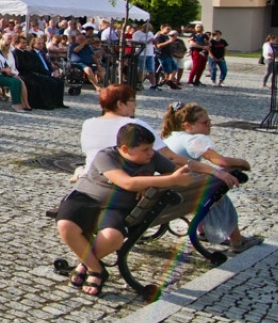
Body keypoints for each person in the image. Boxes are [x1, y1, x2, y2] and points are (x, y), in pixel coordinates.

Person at [55, 123, 195, 296]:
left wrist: (150, 182)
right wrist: (163, 180)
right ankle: (96, 270)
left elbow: (179, 174)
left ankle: (86, 265)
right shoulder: (106, 156)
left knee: (113, 237)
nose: (151, 153)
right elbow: (127, 183)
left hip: (116, 206)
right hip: (85, 197)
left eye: (151, 148)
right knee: (66, 225)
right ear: (125, 149)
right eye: (145, 150)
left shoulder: (153, 158)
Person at [160, 102, 258, 253]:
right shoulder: (193, 139)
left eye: (209, 121)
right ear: (188, 126)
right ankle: (237, 241)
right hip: (182, 194)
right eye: (205, 123)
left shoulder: (170, 136)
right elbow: (221, 161)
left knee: (203, 188)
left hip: (168, 193)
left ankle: (203, 231)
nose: (209, 125)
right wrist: (242, 163)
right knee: (218, 193)